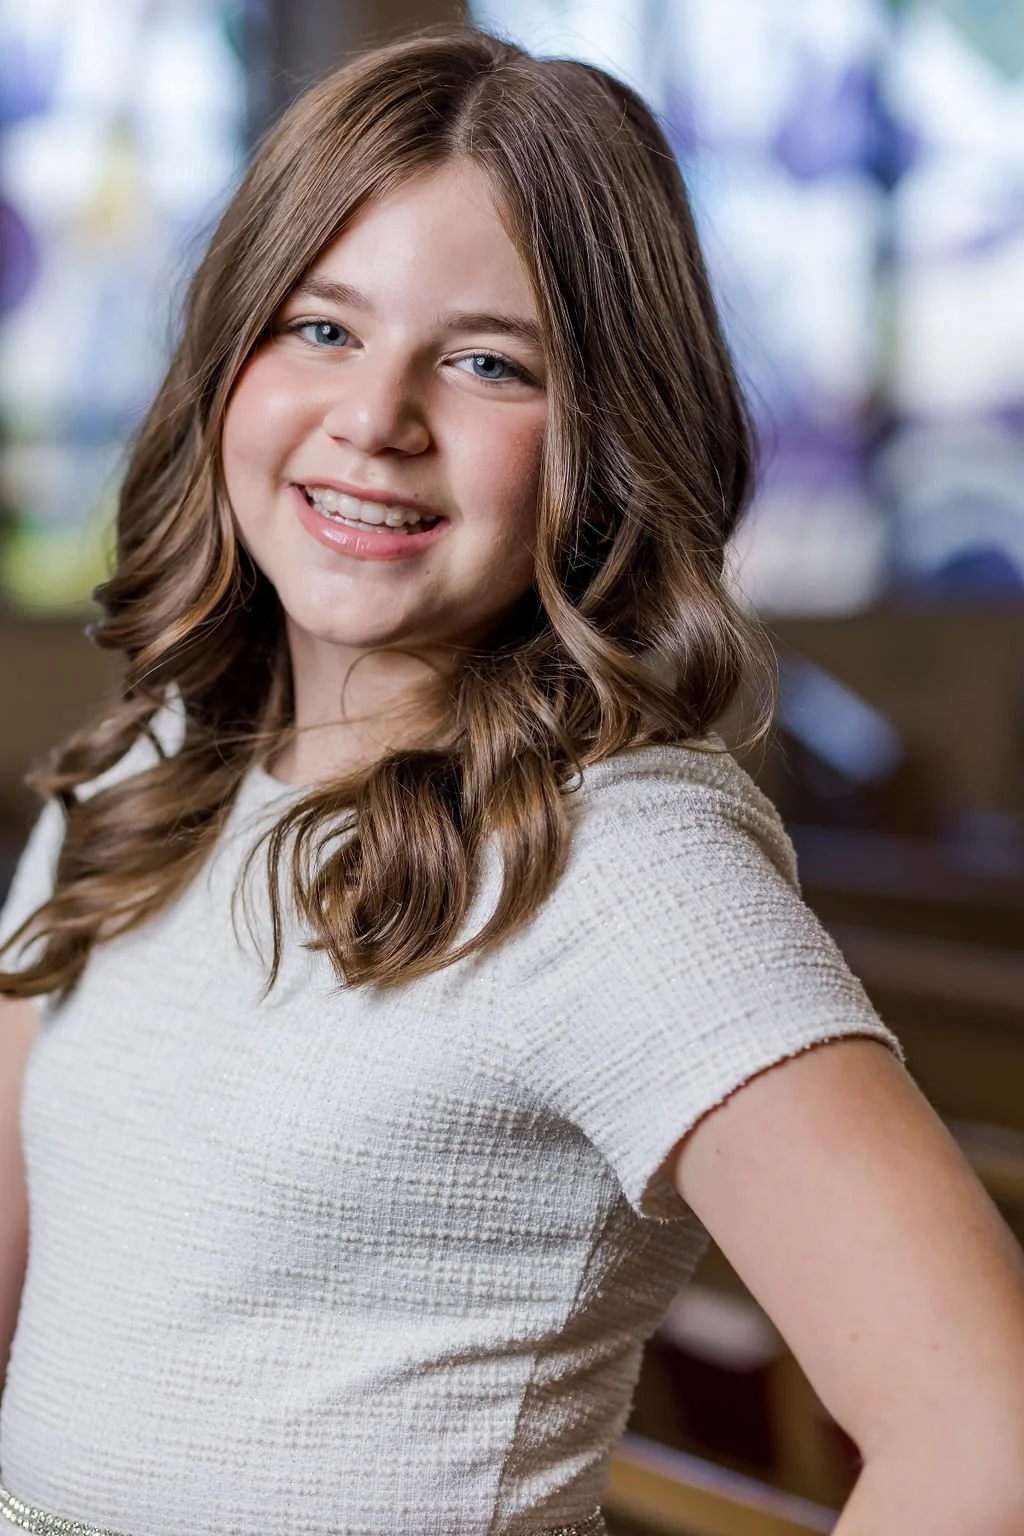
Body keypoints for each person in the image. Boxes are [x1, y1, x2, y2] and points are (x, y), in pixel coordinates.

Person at [0, 22, 1022, 1536]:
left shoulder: (614, 861)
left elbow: (985, 1428)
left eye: (488, 363)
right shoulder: (151, 768)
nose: (375, 420)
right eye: (319, 327)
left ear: (609, 436)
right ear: (226, 358)